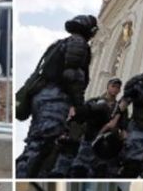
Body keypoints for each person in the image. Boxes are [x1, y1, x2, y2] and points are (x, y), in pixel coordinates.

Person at [15, 15, 97, 177]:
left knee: (36, 143)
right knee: (42, 144)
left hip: (42, 97)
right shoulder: (78, 43)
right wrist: (79, 105)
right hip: (55, 99)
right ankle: (23, 176)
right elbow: (72, 75)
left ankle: (23, 173)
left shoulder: (60, 43)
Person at [101, 51, 143, 178]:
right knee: (132, 166)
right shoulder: (142, 81)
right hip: (139, 128)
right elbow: (125, 101)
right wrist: (114, 120)